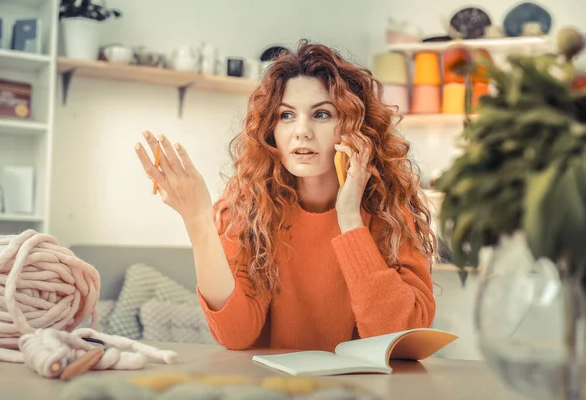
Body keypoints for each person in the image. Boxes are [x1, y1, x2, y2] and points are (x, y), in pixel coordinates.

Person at [134, 40, 437, 352]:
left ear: (355, 128)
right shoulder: (248, 204)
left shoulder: (390, 211)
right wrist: (197, 220)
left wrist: (350, 222)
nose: (301, 131)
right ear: (271, 130)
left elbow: (400, 340)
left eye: (321, 114)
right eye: (286, 115)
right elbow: (235, 335)